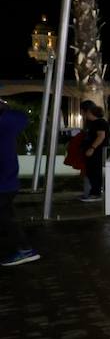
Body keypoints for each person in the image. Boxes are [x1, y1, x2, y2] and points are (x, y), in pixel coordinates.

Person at [1, 98, 40, 267]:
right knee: (6, 217)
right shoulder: (9, 122)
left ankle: (25, 249)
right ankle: (24, 249)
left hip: (4, 183)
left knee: (5, 219)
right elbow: (21, 117)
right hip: (8, 181)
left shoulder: (6, 122)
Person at [79, 103, 108, 203]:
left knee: (95, 172)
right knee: (91, 172)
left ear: (90, 112)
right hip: (92, 152)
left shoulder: (100, 123)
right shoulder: (93, 123)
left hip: (96, 152)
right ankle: (92, 192)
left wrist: (92, 148)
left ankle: (96, 193)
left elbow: (101, 136)